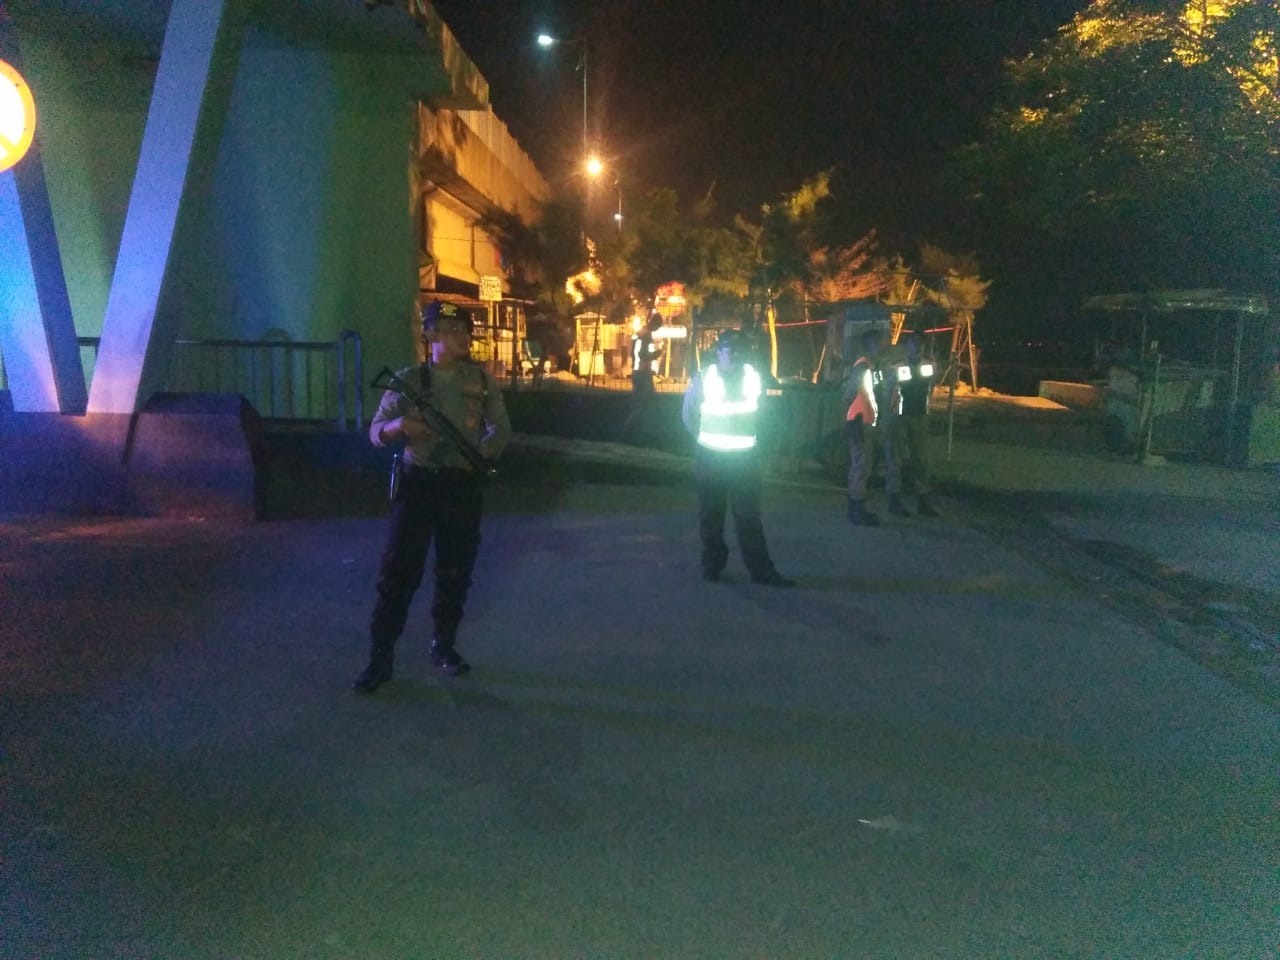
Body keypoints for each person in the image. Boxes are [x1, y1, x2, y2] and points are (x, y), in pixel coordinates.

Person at [352, 300, 512, 692]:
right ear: (431, 335)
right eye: (452, 330)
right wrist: (400, 426)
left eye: (466, 331)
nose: (463, 337)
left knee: (455, 571)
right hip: (418, 486)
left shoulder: (481, 381)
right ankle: (380, 658)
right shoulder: (408, 380)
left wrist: (481, 455)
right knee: (398, 574)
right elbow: (375, 432)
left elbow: (501, 428)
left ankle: (444, 646)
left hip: (461, 486)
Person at [681, 328, 794, 586]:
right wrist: (704, 438)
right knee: (711, 517)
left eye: (738, 349)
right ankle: (712, 566)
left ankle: (761, 571)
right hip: (712, 458)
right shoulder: (703, 378)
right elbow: (688, 416)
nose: (733, 354)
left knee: (749, 518)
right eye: (728, 349)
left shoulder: (752, 378)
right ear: (718, 351)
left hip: (744, 460)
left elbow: (764, 415)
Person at [842, 328, 886, 526]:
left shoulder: (869, 366)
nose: (882, 346)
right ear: (871, 344)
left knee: (862, 467)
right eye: (879, 342)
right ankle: (856, 510)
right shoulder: (863, 367)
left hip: (863, 423)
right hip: (859, 424)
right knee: (860, 468)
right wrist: (853, 420)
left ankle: (856, 508)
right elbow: (850, 394)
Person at [893, 330, 940, 517]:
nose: (918, 347)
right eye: (913, 343)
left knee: (921, 461)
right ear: (907, 346)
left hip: (920, 416)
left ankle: (923, 499)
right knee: (896, 459)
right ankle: (894, 500)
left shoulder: (929, 365)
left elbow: (931, 387)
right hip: (900, 417)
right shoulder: (897, 367)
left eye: (920, 343)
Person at [631, 312, 665, 392]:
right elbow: (644, 355)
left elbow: (636, 351)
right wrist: (658, 353)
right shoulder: (646, 335)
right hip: (643, 371)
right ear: (655, 324)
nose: (657, 329)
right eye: (658, 327)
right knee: (647, 394)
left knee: (639, 394)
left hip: (638, 370)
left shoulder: (641, 332)